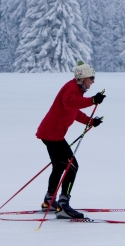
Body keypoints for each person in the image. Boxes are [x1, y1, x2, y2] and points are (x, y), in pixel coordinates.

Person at [36, 63, 105, 219]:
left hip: (52, 133)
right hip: (52, 134)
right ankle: (63, 205)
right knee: (71, 165)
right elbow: (69, 103)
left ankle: (49, 200)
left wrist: (90, 121)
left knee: (60, 166)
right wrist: (92, 101)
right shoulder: (72, 88)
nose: (93, 82)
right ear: (83, 78)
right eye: (91, 78)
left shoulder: (77, 90)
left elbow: (73, 111)